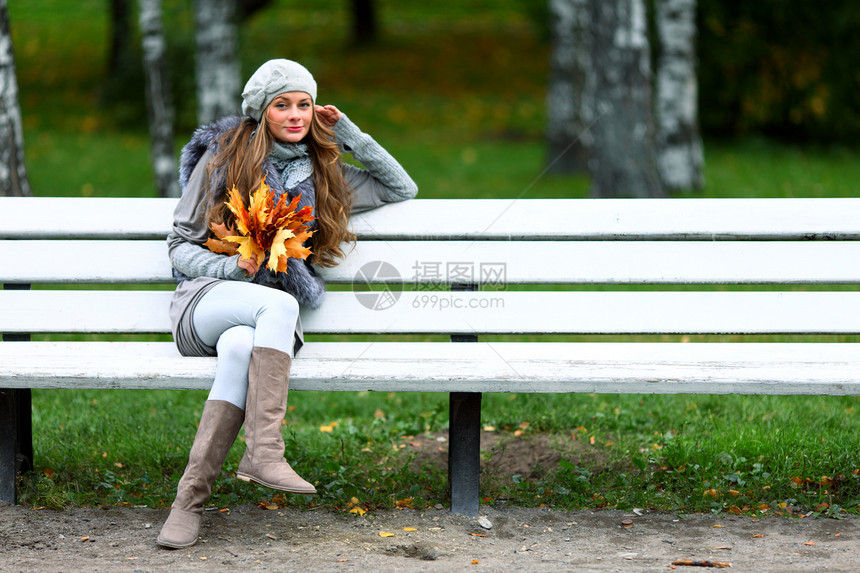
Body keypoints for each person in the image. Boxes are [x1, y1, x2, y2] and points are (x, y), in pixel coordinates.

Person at [157, 59, 418, 549]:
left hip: (259, 328)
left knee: (240, 350)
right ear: (262, 113)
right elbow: (179, 244)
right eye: (283, 105)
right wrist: (230, 269)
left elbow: (401, 187)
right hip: (207, 302)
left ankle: (187, 503)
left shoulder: (322, 175)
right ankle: (264, 452)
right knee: (278, 308)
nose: (296, 115)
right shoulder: (221, 160)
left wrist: (348, 133)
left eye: (304, 105)